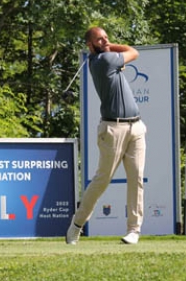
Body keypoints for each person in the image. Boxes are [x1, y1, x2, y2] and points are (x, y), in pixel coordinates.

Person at [66, 26, 147, 245]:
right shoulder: (103, 61)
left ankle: (133, 230)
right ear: (90, 45)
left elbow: (129, 52)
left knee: (136, 178)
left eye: (106, 38)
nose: (105, 42)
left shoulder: (106, 57)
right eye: (99, 40)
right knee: (102, 180)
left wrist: (105, 45)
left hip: (136, 127)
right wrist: (109, 47)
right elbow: (133, 51)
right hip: (113, 130)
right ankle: (77, 225)